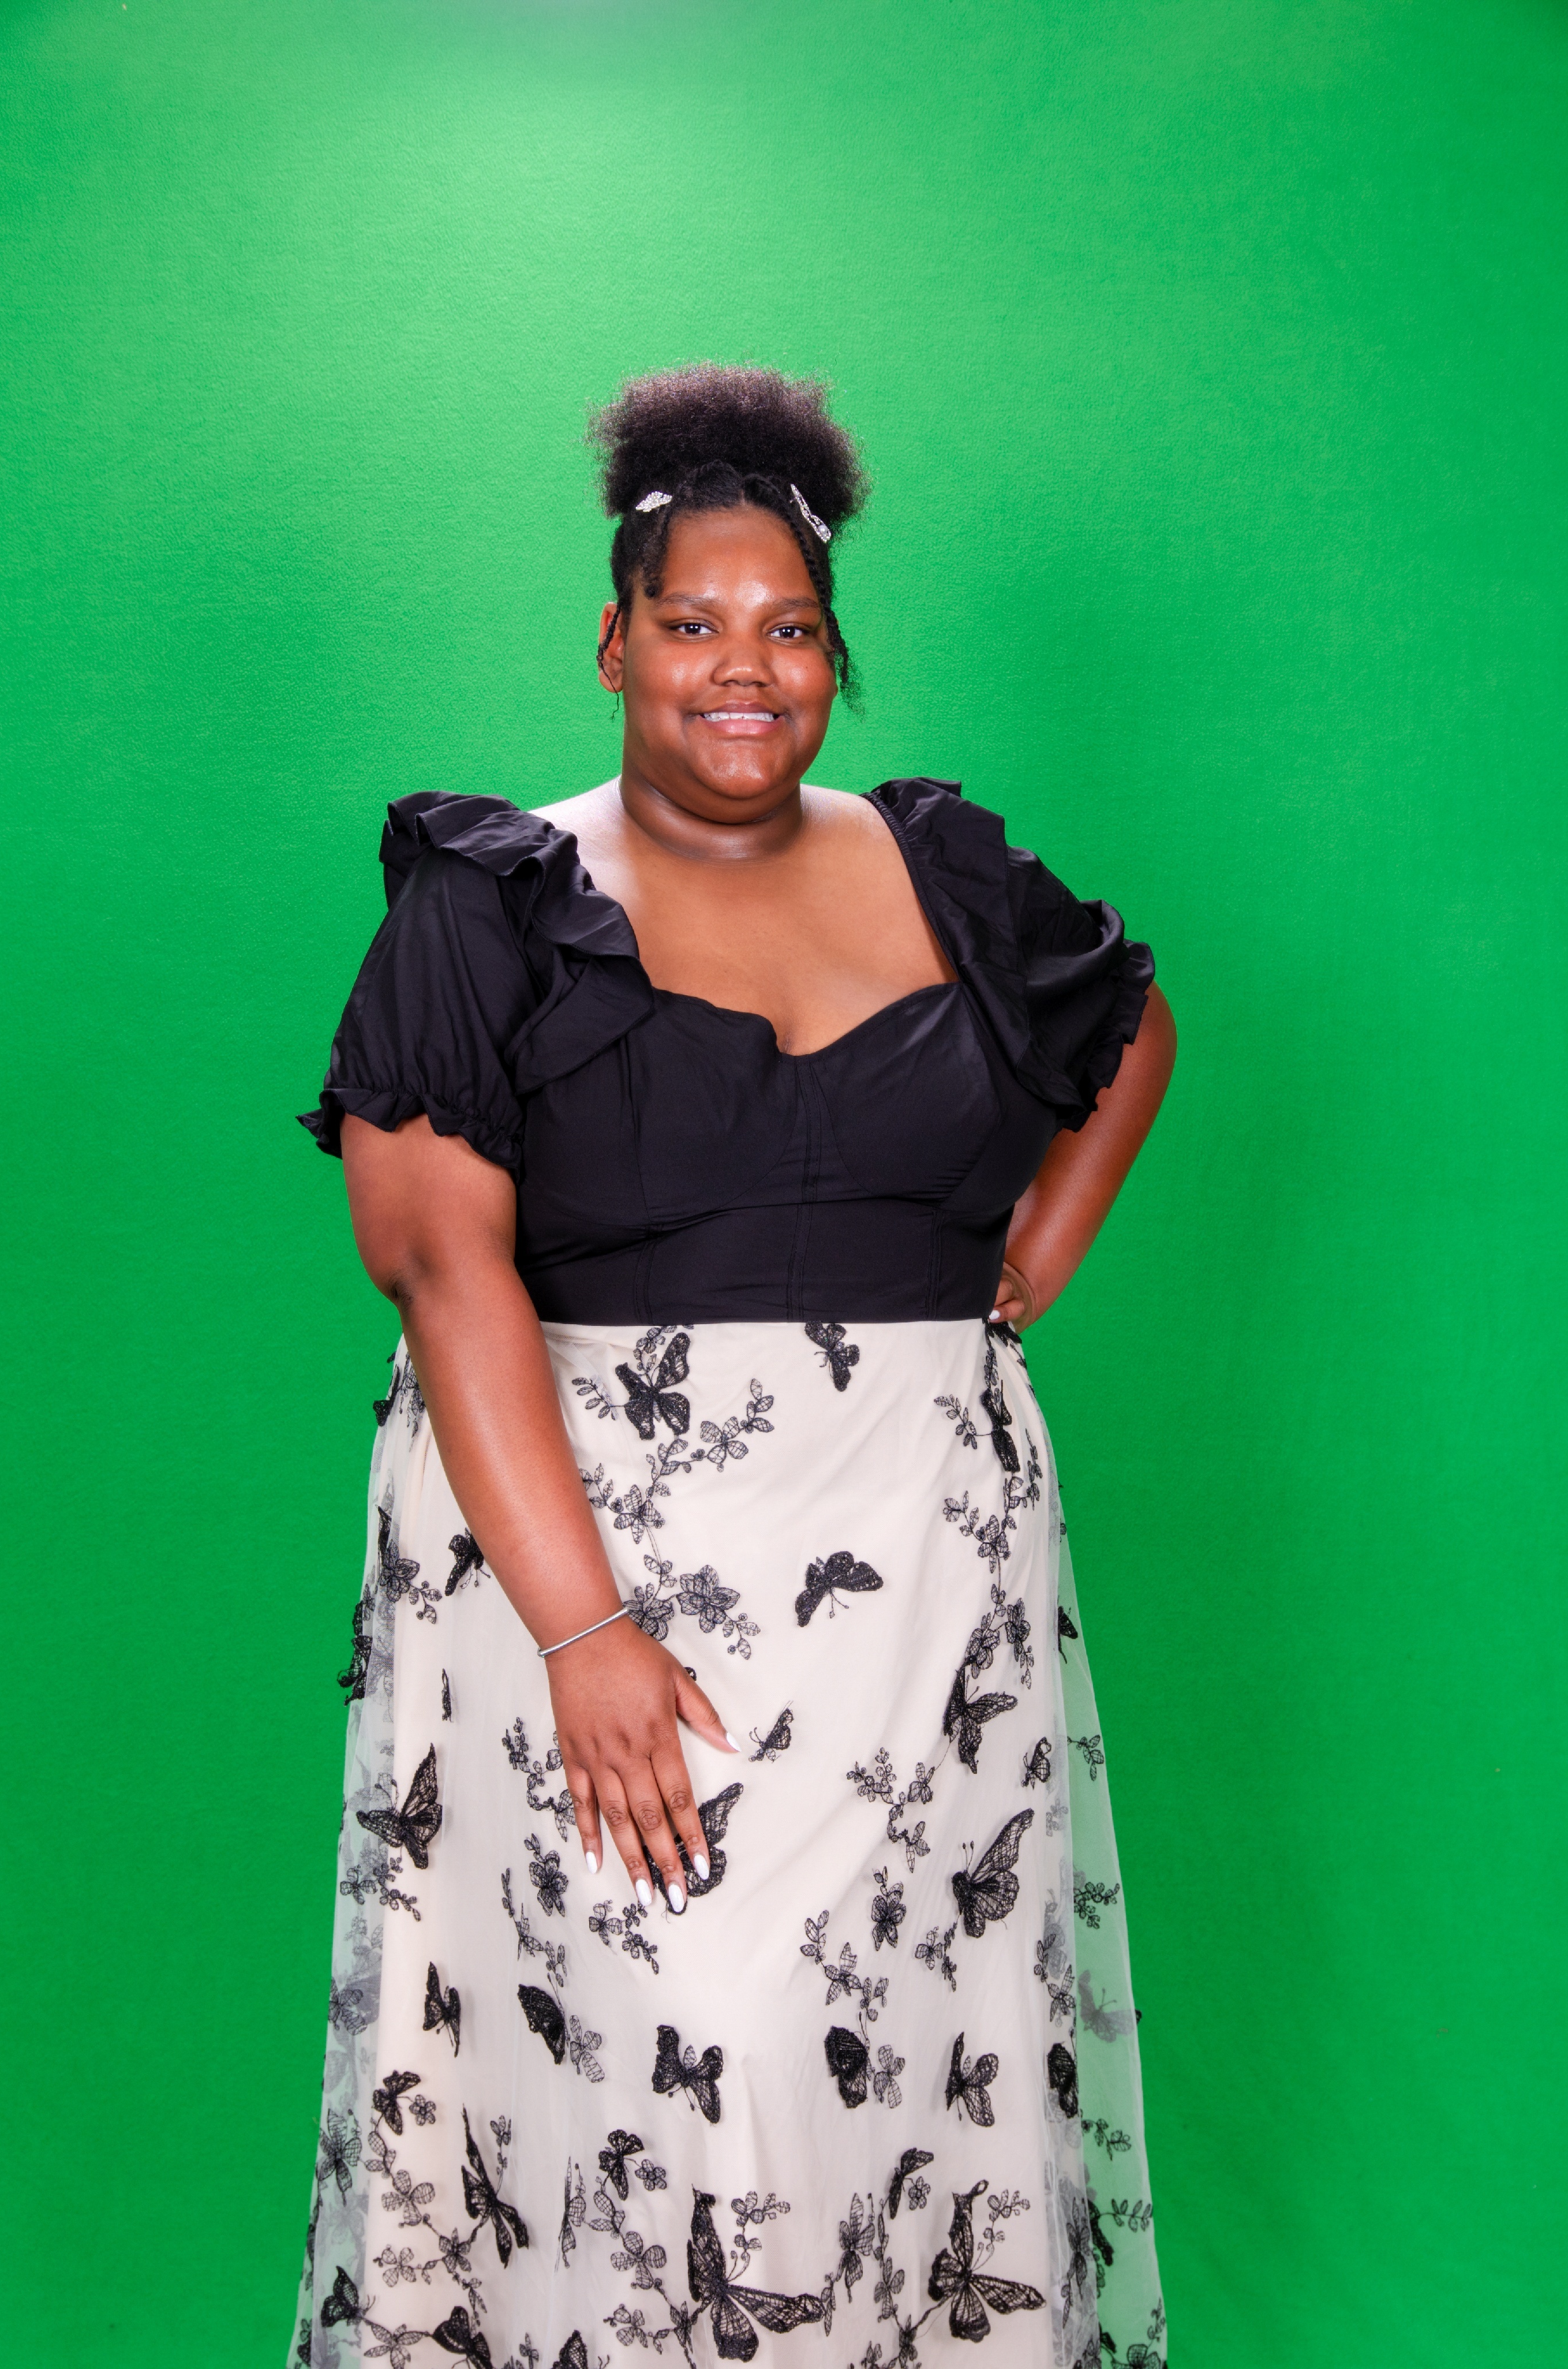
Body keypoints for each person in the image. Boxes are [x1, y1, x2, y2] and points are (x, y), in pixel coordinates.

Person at [290, 364, 1176, 2369]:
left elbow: (1129, 1026)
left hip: (921, 1584)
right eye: (692, 623)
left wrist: (1020, 1267)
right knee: (680, 2059)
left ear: (835, 657)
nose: (743, 670)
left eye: (788, 629)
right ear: (614, 643)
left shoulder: (941, 870)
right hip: (598, 1568)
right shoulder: (488, 903)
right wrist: (585, 1629)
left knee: (919, 2055)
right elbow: (440, 1268)